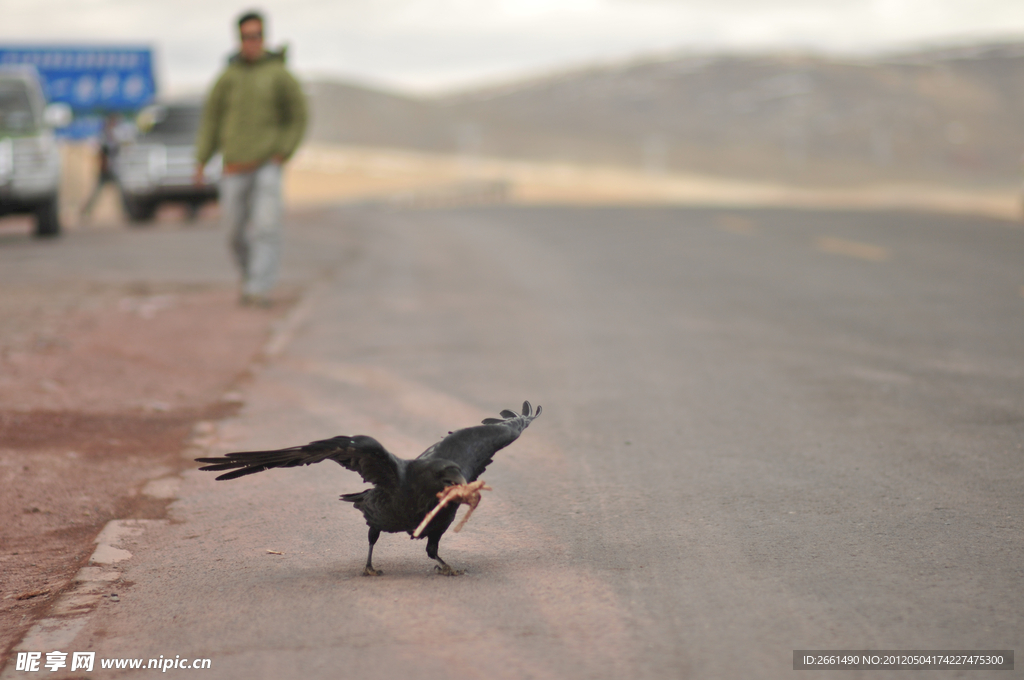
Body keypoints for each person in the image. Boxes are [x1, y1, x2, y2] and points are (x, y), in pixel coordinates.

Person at [194, 10, 307, 307]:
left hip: (267, 163)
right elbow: (212, 121)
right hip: (234, 166)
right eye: (247, 37)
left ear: (264, 37)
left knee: (267, 228)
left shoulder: (279, 76)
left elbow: (299, 116)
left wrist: (284, 150)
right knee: (233, 232)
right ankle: (249, 277)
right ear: (239, 39)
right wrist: (201, 159)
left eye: (257, 36)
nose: (252, 42)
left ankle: (259, 288)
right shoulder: (227, 78)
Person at [80, 112, 122, 221]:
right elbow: (101, 152)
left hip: (114, 168)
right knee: (98, 192)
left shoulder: (114, 134)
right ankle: (85, 211)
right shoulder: (103, 136)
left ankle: (128, 211)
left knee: (121, 191)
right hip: (106, 168)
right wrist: (103, 165)